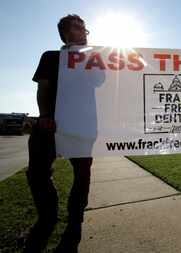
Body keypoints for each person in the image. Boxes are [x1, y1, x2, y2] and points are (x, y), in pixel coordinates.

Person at [24, 14, 92, 253]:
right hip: (49, 125)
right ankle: (48, 215)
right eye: (78, 28)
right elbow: (43, 87)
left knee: (82, 175)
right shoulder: (51, 57)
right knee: (37, 173)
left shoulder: (93, 61)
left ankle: (76, 221)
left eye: (85, 29)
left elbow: (108, 86)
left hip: (82, 127)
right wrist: (44, 116)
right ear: (65, 33)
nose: (84, 32)